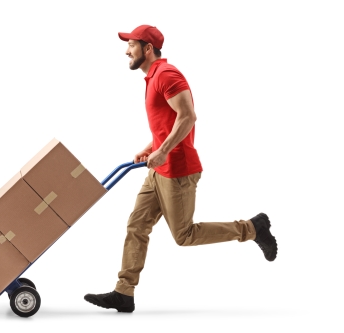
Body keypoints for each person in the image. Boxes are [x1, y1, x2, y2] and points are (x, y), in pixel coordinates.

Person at [84, 25, 277, 313]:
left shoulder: (166, 75)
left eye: (132, 45)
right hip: (159, 169)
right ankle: (124, 293)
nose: (127, 50)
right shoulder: (151, 78)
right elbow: (169, 122)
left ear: (148, 49)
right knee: (137, 225)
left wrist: (162, 151)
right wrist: (151, 147)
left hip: (178, 171)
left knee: (184, 235)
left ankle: (252, 228)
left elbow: (188, 117)